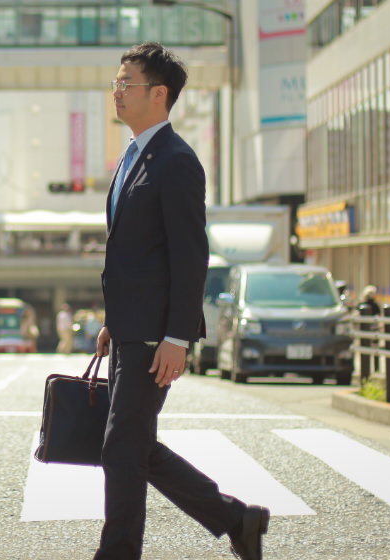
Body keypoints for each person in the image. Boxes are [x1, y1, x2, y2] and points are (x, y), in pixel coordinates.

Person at [93, 43, 267, 560]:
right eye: (117, 81)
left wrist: (175, 337)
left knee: (122, 447)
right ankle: (237, 519)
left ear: (159, 94)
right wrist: (113, 321)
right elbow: (134, 254)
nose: (118, 90)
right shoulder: (132, 155)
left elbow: (190, 256)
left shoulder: (176, 161)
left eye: (128, 82)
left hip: (154, 336)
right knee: (131, 446)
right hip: (130, 329)